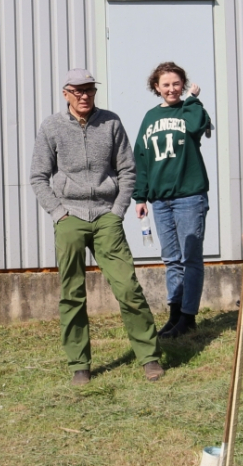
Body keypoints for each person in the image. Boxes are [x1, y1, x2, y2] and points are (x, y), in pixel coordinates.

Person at [30, 69, 164, 385]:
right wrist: (58, 213)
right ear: (66, 94)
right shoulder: (52, 127)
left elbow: (128, 170)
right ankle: (80, 364)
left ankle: (150, 357)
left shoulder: (111, 123)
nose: (84, 95)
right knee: (72, 292)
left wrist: (118, 211)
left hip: (106, 216)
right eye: (77, 91)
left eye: (89, 89)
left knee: (128, 287)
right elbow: (38, 176)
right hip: (70, 217)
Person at [133, 62, 213, 340]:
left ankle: (189, 317)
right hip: (160, 201)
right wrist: (140, 196)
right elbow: (141, 158)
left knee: (190, 258)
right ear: (156, 87)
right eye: (165, 84)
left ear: (183, 84)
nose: (171, 89)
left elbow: (195, 127)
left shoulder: (191, 109)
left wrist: (193, 100)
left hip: (189, 196)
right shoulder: (150, 117)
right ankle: (175, 315)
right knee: (171, 260)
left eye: (176, 83)